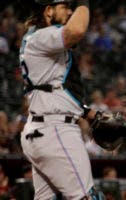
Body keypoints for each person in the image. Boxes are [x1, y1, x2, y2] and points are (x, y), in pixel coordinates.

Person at [19, 0, 101, 199]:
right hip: (55, 131)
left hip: (42, 131)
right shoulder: (40, 36)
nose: (71, 11)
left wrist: (89, 114)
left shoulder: (38, 40)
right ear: (48, 11)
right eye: (64, 6)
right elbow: (77, 30)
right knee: (88, 197)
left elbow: (57, 89)